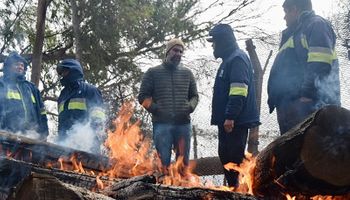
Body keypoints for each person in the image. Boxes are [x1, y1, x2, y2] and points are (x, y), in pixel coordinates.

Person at [267, 0, 340, 134]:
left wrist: (307, 94)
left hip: (307, 106)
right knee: (292, 153)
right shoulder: (294, 33)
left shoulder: (315, 25)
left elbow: (320, 62)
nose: (284, 17)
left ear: (294, 9)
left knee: (311, 151)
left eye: (285, 12)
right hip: (291, 107)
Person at [207, 24, 260, 188]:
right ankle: (233, 190)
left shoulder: (237, 59)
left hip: (235, 122)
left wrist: (230, 116)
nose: (213, 46)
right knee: (225, 156)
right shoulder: (228, 60)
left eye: (214, 42)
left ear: (223, 41)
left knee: (234, 159)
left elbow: (239, 90)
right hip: (228, 121)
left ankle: (239, 191)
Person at [138, 38, 199, 171]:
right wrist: (157, 109)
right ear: (167, 51)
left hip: (183, 124)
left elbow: (194, 96)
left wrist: (189, 107)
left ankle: (183, 189)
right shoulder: (152, 72)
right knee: (163, 164)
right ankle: (163, 188)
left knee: (183, 165)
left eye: (181, 51)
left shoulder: (187, 73)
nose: (178, 54)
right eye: (175, 50)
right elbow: (143, 97)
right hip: (162, 124)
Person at [56, 59, 106, 154]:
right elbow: (61, 122)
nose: (63, 75)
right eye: (62, 73)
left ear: (74, 70)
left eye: (65, 71)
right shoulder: (62, 95)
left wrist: (91, 140)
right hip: (65, 144)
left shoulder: (90, 90)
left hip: (87, 145)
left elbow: (98, 118)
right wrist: (60, 140)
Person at [0, 52, 48, 140]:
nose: (20, 67)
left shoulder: (32, 88)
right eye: (16, 64)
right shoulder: (1, 84)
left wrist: (44, 133)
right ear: (8, 67)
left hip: (32, 136)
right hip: (6, 136)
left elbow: (42, 112)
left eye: (22, 65)